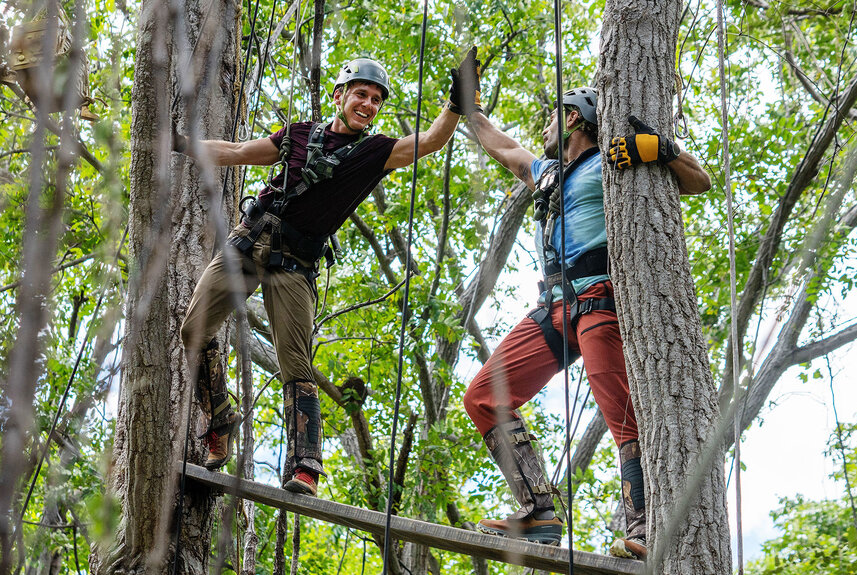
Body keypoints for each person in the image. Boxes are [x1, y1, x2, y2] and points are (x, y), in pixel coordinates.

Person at [175, 51, 480, 497]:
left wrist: (457, 103)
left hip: (295, 264)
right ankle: (220, 416)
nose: (369, 105)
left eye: (377, 100)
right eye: (362, 94)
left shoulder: (377, 152)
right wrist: (181, 143)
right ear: (340, 96)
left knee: (296, 365)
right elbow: (237, 152)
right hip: (248, 241)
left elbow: (431, 141)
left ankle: (304, 469)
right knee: (192, 330)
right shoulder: (299, 135)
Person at [461, 78, 710, 557]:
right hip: (552, 306)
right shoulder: (547, 173)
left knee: (621, 411)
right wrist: (467, 108)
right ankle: (539, 512)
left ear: (573, 116)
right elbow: (502, 145)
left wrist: (660, 149)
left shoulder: (610, 162)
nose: (546, 127)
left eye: (554, 116)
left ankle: (643, 527)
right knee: (483, 397)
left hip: (598, 296)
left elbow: (698, 180)